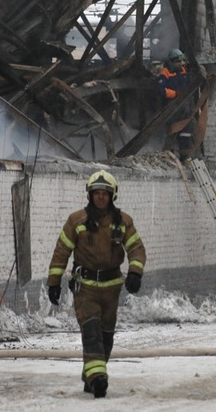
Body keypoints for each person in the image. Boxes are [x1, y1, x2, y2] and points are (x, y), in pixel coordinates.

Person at [46, 170, 147, 398]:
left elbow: (136, 248)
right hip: (86, 288)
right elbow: (62, 251)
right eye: (96, 193)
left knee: (105, 337)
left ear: (112, 196)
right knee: (91, 332)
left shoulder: (123, 222)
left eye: (105, 194)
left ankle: (90, 375)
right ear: (90, 195)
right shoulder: (77, 221)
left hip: (111, 289)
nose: (100, 198)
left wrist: (135, 272)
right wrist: (54, 283)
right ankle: (99, 380)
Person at [156, 48, 195, 161]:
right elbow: (161, 90)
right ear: (172, 62)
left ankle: (185, 158)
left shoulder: (183, 71)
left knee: (186, 134)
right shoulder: (165, 73)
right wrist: (175, 94)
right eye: (178, 61)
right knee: (171, 134)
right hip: (171, 109)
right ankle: (168, 158)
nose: (181, 64)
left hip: (184, 109)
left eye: (182, 61)